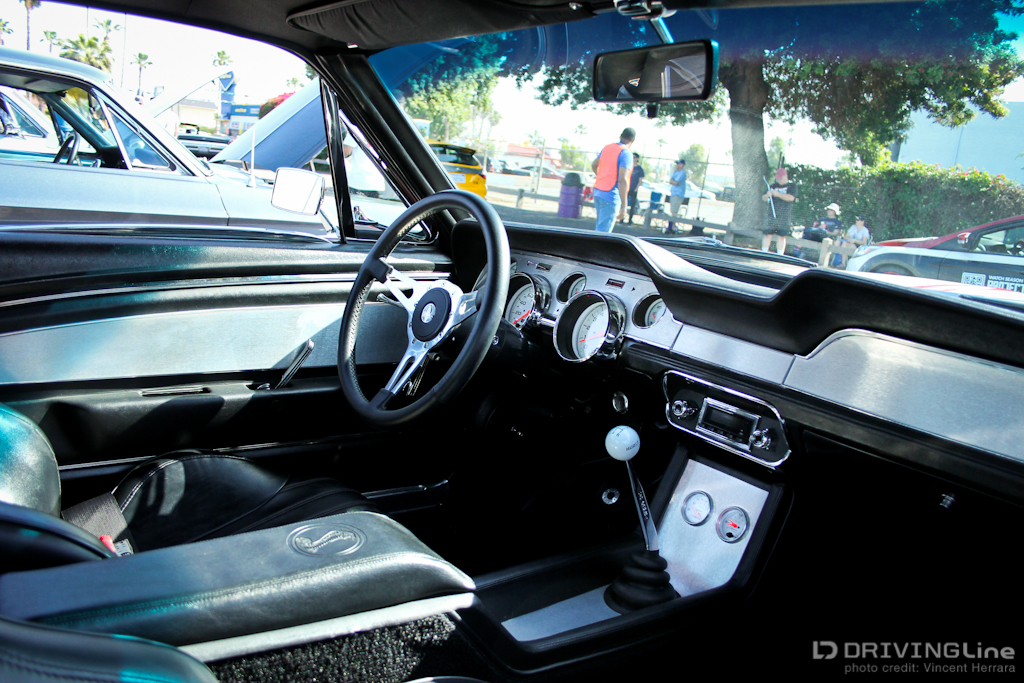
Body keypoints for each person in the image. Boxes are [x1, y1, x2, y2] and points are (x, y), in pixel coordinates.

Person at [591, 127, 635, 233]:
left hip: (598, 191)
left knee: (600, 227)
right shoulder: (626, 153)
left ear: (621, 136)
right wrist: (624, 206)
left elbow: (594, 164)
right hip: (611, 195)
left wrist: (603, 177)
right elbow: (622, 180)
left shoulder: (607, 148)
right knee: (603, 233)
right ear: (632, 140)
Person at [761, 167, 798, 254]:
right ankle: (764, 252)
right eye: (778, 179)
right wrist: (767, 195)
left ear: (785, 175)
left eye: (781, 178)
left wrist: (778, 194)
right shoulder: (773, 186)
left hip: (784, 215)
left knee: (781, 236)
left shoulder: (792, 186)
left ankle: (780, 255)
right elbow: (764, 198)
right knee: (767, 234)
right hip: (771, 214)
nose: (779, 180)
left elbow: (791, 198)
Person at [666, 159, 689, 234]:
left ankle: (673, 227)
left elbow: (676, 182)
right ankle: (672, 226)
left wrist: (673, 181)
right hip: (673, 193)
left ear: (682, 165)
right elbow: (670, 181)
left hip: (678, 194)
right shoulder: (676, 172)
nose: (677, 165)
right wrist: (673, 181)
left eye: (679, 164)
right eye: (677, 164)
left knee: (674, 211)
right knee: (672, 211)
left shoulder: (682, 172)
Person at [626, 153, 645, 225]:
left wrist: (636, 189)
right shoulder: (628, 167)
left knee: (632, 206)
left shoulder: (639, 169)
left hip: (634, 189)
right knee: (624, 204)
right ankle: (621, 220)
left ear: (637, 158)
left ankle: (630, 221)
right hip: (626, 189)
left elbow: (640, 180)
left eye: (634, 157)